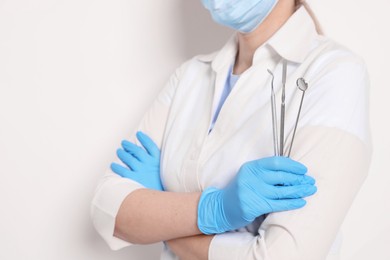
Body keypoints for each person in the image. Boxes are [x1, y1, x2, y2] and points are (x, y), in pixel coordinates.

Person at [90, 0, 371, 259]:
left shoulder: (334, 73)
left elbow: (283, 255)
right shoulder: (190, 76)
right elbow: (107, 209)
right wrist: (216, 208)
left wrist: (166, 222)